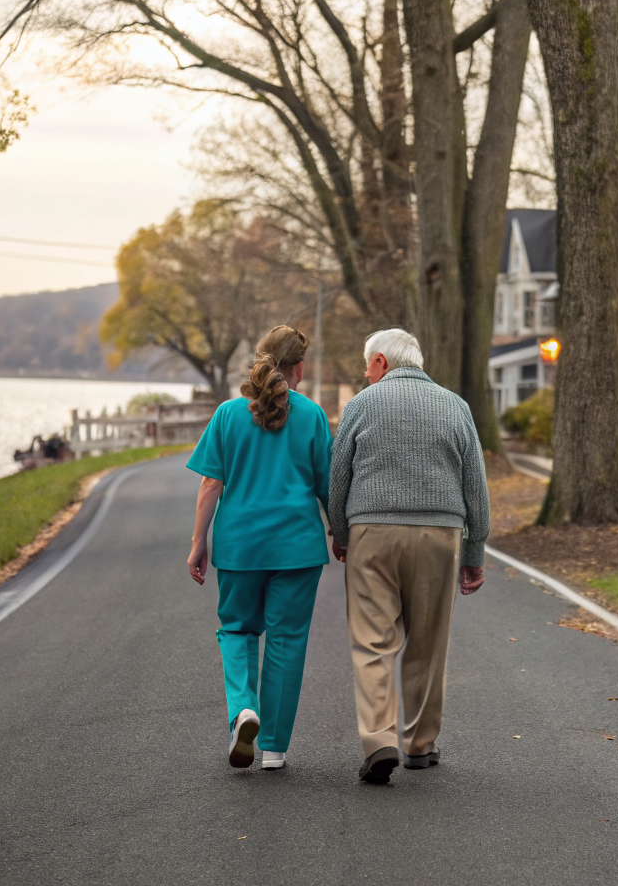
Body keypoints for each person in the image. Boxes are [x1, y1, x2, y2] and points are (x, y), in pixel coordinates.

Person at [328, 328, 490, 785]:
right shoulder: (455, 406)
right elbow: (475, 484)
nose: (365, 373)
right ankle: (420, 744)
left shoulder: (361, 404)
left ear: (381, 361)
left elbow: (338, 476)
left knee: (372, 641)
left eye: (367, 364)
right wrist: (473, 550)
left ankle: (380, 740)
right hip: (439, 532)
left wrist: (340, 533)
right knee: (428, 640)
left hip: (372, 532)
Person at [187, 326, 332, 771]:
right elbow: (330, 487)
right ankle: (273, 748)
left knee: (236, 631)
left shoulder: (229, 415)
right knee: (286, 642)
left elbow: (211, 483)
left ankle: (243, 711)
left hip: (239, 547)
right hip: (298, 549)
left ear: (260, 362)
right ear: (299, 369)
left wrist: (198, 544)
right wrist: (341, 534)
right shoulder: (312, 416)